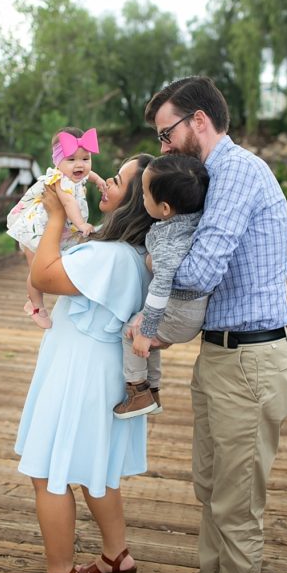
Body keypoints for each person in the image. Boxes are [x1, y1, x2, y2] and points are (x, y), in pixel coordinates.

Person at [141, 76, 287, 573]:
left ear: (199, 122)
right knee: (211, 491)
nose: (165, 148)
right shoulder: (216, 176)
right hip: (224, 356)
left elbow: (200, 272)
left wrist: (149, 264)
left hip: (251, 364)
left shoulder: (234, 171)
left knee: (236, 509)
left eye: (166, 135)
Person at [12, 153, 155, 573]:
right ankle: (116, 555)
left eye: (120, 180)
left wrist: (55, 215)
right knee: (97, 469)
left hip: (79, 375)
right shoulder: (132, 255)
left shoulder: (109, 256)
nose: (106, 181)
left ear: (136, 202)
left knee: (49, 472)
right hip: (101, 374)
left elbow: (43, 274)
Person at [113, 153, 210, 419]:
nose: (142, 199)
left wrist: (146, 329)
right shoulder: (192, 221)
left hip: (180, 313)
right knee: (147, 339)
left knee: (132, 332)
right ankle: (152, 391)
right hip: (191, 311)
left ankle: (138, 391)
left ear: (165, 209)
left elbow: (160, 287)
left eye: (144, 194)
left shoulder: (168, 243)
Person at [6, 127, 105, 327]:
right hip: (34, 231)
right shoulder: (61, 181)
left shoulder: (75, 175)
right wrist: (81, 224)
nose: (80, 165)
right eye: (72, 160)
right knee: (35, 271)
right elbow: (69, 204)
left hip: (52, 231)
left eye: (85, 159)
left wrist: (98, 180)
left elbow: (89, 174)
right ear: (57, 162)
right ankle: (36, 306)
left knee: (46, 266)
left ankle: (39, 304)